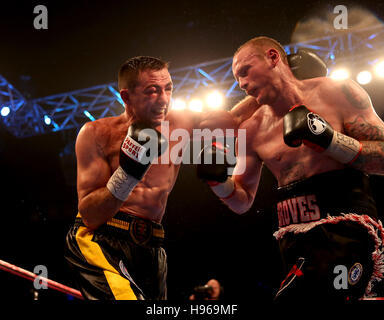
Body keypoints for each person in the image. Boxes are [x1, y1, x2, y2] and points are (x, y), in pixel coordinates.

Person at [197, 36, 384, 302]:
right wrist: (219, 183)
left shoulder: (337, 92)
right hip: (294, 244)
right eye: (237, 78)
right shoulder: (252, 129)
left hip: (347, 233)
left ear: (273, 57)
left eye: (245, 71)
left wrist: (329, 140)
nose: (241, 84)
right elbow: (242, 201)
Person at [64, 56, 239, 300]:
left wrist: (287, 85)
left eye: (168, 89)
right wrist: (128, 174)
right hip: (102, 240)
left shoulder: (182, 123)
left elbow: (235, 118)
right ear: (126, 97)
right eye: (152, 91)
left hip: (153, 246)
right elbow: (90, 215)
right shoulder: (96, 133)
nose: (164, 99)